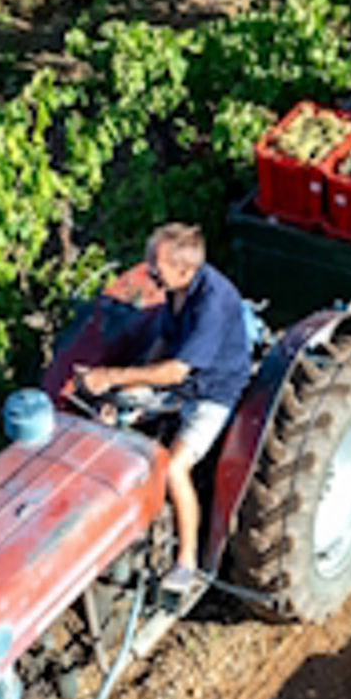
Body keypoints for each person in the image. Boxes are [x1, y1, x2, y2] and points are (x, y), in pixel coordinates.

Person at [79, 223, 252, 596]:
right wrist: (124, 389)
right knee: (113, 411)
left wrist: (111, 376)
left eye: (155, 265)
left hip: (211, 392)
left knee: (175, 467)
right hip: (181, 380)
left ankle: (187, 562)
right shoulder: (175, 290)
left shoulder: (213, 304)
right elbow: (163, 342)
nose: (148, 271)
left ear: (185, 269)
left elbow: (176, 371)